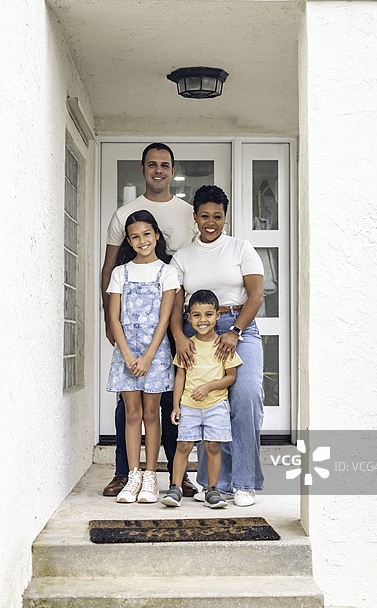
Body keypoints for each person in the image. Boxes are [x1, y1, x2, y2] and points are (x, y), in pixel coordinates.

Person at [101, 142, 197, 497]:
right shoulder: (124, 214)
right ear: (142, 169)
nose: (159, 170)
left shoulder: (187, 213)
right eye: (152, 164)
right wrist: (112, 325)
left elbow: (192, 262)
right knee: (129, 408)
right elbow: (109, 268)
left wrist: (182, 331)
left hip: (172, 324)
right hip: (129, 337)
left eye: (165, 164)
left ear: (173, 170)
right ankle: (127, 473)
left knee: (167, 403)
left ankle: (173, 475)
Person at [170, 185, 265, 507]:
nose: (211, 222)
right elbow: (175, 304)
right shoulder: (182, 256)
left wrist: (235, 330)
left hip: (240, 325)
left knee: (247, 396)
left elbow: (256, 296)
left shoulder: (241, 248)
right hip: (197, 330)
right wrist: (180, 337)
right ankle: (216, 484)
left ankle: (245, 483)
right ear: (195, 217)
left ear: (225, 217)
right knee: (207, 399)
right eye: (205, 216)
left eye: (217, 216)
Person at [106, 210, 179, 503]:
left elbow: (164, 320)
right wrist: (127, 355)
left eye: (147, 234)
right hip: (126, 354)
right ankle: (133, 475)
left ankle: (150, 477)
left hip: (155, 355)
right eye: (135, 236)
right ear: (128, 240)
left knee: (151, 414)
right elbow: (114, 318)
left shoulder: (167, 272)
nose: (142, 240)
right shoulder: (120, 273)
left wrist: (148, 356)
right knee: (131, 414)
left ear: (157, 235)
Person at [162, 290, 243, 509]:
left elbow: (231, 377)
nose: (202, 320)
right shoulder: (186, 346)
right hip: (189, 406)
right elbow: (180, 376)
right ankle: (175, 488)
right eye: (196, 315)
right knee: (183, 445)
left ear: (217, 315)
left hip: (216, 406)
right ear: (189, 317)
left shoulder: (223, 345)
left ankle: (212, 490)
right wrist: (176, 405)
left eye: (208, 314)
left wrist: (208, 387)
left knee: (213, 446)